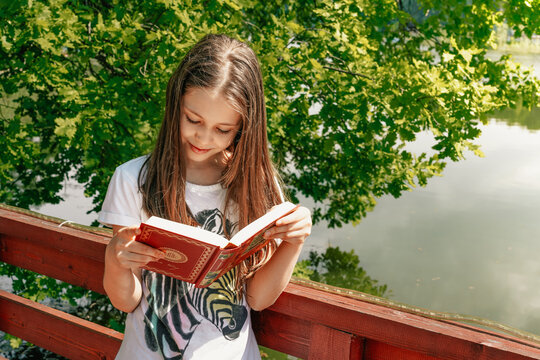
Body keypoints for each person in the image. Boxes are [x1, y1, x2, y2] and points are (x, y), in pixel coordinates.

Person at [98, 34, 312, 360]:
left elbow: (256, 298)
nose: (203, 137)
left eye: (223, 129)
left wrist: (294, 242)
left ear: (244, 127)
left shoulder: (258, 186)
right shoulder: (133, 179)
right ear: (176, 105)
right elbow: (126, 301)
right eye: (193, 120)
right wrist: (115, 260)